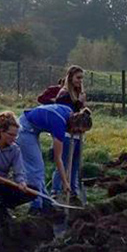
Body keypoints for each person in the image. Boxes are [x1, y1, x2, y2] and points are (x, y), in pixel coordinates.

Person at [17, 103, 93, 212]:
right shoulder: (59, 124)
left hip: (34, 128)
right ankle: (36, 206)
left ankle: (45, 202)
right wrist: (65, 182)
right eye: (79, 131)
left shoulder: (69, 112)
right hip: (25, 128)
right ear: (74, 125)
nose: (79, 134)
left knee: (39, 169)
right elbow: (58, 159)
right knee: (35, 169)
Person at [51, 66, 87, 196]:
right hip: (66, 134)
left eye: (82, 78)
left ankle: (73, 191)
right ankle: (56, 190)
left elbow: (80, 113)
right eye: (78, 78)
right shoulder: (64, 94)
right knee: (64, 163)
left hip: (77, 134)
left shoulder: (78, 93)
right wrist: (79, 103)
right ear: (70, 77)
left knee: (75, 164)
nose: (80, 81)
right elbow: (68, 116)